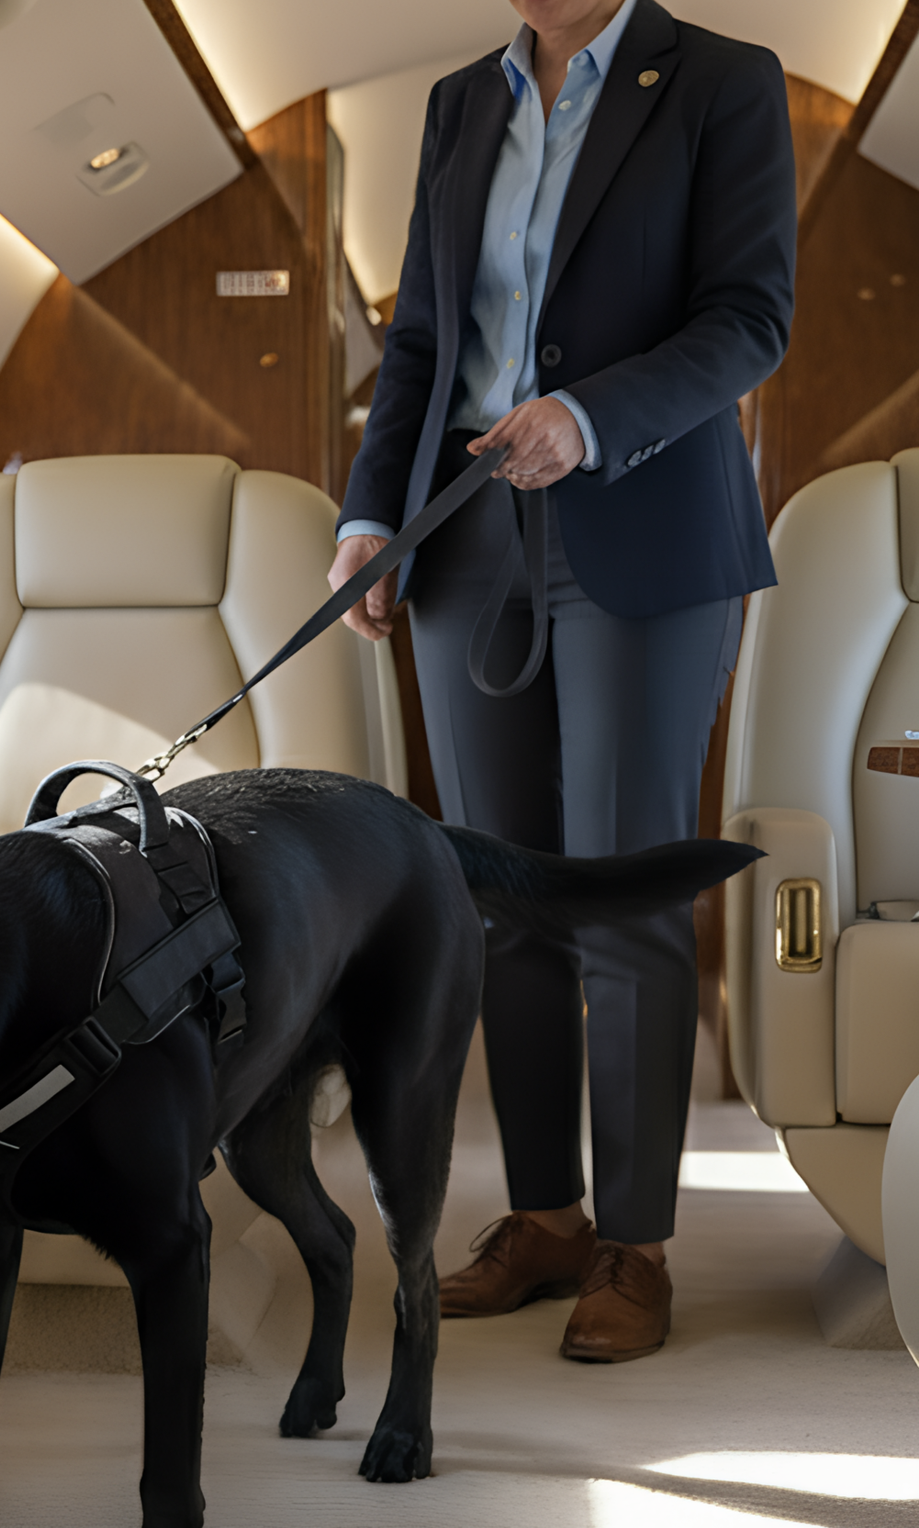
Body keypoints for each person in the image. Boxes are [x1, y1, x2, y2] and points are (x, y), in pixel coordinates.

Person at [331, 0, 795, 1361]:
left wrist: (590, 418)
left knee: (623, 887)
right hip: (467, 533)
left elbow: (748, 318)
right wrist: (372, 515)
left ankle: (635, 1244)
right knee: (501, 897)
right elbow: (421, 341)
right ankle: (544, 1217)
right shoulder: (459, 103)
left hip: (642, 524)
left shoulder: (722, 81)